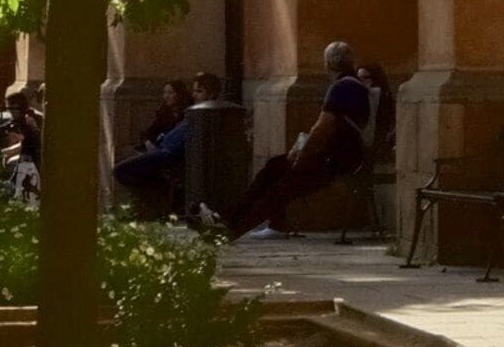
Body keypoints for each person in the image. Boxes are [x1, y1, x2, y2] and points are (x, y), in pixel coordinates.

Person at [225, 42, 381, 238]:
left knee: (282, 185)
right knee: (275, 167)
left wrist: (302, 156)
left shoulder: (341, 88)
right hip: (346, 156)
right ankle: (246, 221)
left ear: (328, 65)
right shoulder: (355, 86)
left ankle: (233, 228)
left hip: (335, 159)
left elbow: (322, 128)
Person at [109, 72, 221, 219]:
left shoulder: (204, 116)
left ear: (211, 94)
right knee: (128, 161)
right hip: (161, 150)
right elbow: (154, 131)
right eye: (194, 91)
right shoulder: (186, 113)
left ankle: (155, 203)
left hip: (166, 156)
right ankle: (148, 205)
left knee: (120, 171)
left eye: (199, 91)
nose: (194, 95)